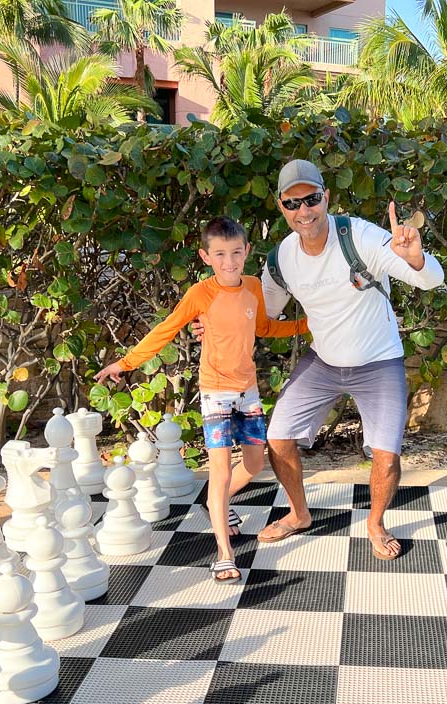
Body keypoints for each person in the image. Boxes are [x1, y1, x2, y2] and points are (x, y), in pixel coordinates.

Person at [95, 216, 309, 583]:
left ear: (246, 252)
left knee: (255, 465)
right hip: (215, 393)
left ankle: (220, 505)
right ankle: (225, 555)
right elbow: (167, 329)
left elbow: (265, 328)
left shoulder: (254, 287)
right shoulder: (200, 294)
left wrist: (308, 324)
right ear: (205, 256)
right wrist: (125, 362)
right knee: (221, 471)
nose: (230, 262)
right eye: (221, 254)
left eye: (237, 253)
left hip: (249, 392)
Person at [254, 159, 446, 560]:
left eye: (311, 200)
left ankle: (375, 523)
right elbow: (261, 317)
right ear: (280, 207)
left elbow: (431, 280)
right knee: (278, 436)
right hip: (323, 362)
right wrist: (213, 323)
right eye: (292, 204)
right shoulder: (281, 259)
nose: (303, 212)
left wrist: (414, 258)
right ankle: (299, 514)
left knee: (386, 452)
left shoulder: (358, 236)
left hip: (378, 362)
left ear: (326, 197)